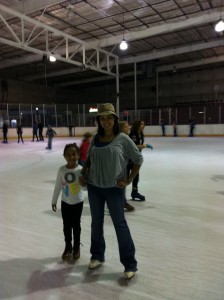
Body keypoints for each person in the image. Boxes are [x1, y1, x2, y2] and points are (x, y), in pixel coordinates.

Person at [80, 103, 143, 280]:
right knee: (96, 223)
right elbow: (89, 161)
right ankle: (97, 255)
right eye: (102, 118)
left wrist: (129, 180)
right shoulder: (95, 139)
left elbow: (138, 159)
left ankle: (129, 263)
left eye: (109, 117)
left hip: (114, 189)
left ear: (114, 119)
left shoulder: (123, 138)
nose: (106, 121)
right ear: (98, 120)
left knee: (120, 225)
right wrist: (84, 175)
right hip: (94, 188)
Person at [51, 143, 86, 261]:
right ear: (64, 156)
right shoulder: (61, 170)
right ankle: (68, 247)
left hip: (77, 202)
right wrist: (54, 200)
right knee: (66, 226)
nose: (71, 157)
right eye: (68, 155)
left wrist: (84, 183)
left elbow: (86, 188)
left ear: (78, 155)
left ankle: (76, 247)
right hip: (65, 203)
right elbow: (57, 186)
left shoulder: (81, 170)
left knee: (76, 225)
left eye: (74, 154)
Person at [129, 119, 153, 201]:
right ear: (137, 125)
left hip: (136, 158)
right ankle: (119, 195)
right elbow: (134, 146)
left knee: (135, 175)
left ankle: (134, 192)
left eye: (143, 124)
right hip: (129, 158)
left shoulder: (141, 134)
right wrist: (145, 146)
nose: (143, 125)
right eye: (141, 124)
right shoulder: (133, 134)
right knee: (124, 176)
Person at [119, 121, 135, 212]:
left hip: (125, 164)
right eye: (125, 127)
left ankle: (122, 202)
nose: (128, 128)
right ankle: (118, 203)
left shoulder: (126, 138)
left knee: (123, 185)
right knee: (119, 185)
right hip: (119, 166)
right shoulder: (120, 138)